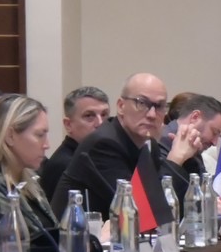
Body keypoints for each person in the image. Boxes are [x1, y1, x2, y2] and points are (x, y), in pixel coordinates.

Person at [61, 72, 197, 224]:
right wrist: (176, 158)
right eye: (142, 103)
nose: (152, 114)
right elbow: (140, 212)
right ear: (121, 106)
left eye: (159, 106)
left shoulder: (148, 143)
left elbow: (179, 207)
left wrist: (189, 156)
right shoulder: (103, 144)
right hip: (75, 236)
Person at [0, 93, 67, 252]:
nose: (47, 144)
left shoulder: (30, 182)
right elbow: (21, 249)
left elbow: (53, 238)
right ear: (10, 136)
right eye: (39, 135)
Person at [40, 86, 109, 201]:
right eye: (89, 116)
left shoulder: (97, 156)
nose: (100, 123)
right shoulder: (65, 165)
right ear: (68, 125)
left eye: (104, 114)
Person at [163, 92, 221, 197]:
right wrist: (177, 158)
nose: (214, 143)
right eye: (214, 132)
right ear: (195, 117)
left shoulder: (195, 144)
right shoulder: (162, 140)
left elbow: (202, 186)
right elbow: (164, 192)